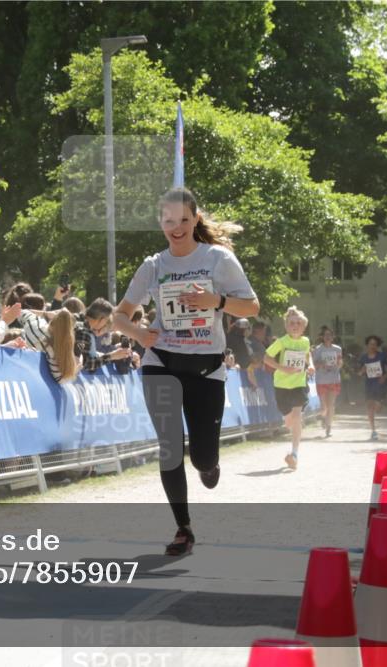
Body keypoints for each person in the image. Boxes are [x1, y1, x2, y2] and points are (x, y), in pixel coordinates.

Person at [114, 187, 259, 556]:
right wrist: (137, 332)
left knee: (203, 457)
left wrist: (217, 301)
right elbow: (119, 314)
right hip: (161, 362)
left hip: (206, 368)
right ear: (160, 223)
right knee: (169, 447)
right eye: (168, 221)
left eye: (182, 219)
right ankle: (183, 528)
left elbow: (252, 308)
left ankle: (209, 465)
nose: (175, 227)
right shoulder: (153, 266)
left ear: (195, 218)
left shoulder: (217, 259)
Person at [263, 307, 314, 469]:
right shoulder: (281, 342)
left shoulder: (305, 341)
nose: (295, 326)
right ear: (286, 326)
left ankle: (294, 453)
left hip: (299, 384)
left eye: (298, 323)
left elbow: (307, 354)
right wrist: (283, 368)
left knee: (297, 417)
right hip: (281, 385)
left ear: (303, 326)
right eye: (292, 323)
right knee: (289, 420)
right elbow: (266, 358)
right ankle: (292, 440)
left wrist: (311, 365)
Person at [311, 326, 343, 437]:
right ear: (322, 337)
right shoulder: (318, 349)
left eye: (330, 335)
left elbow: (340, 363)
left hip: (334, 379)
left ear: (333, 337)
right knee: (324, 406)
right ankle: (324, 417)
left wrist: (339, 363)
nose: (328, 337)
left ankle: (329, 427)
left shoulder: (337, 349)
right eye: (326, 335)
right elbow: (313, 365)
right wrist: (321, 364)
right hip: (321, 380)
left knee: (331, 405)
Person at [359, 335, 387, 440]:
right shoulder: (363, 357)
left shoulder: (382, 356)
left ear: (377, 345)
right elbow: (359, 372)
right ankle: (373, 430)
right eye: (370, 344)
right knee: (369, 406)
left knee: (377, 407)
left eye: (374, 344)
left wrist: (384, 377)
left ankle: (381, 405)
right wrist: (362, 370)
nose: (372, 346)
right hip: (369, 385)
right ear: (367, 345)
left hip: (380, 385)